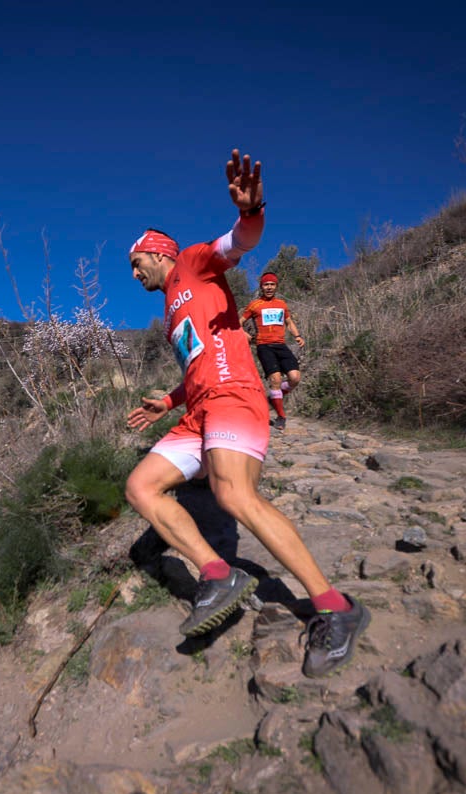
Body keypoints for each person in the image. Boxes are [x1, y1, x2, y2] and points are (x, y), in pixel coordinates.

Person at [124, 149, 369, 679]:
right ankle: (217, 574)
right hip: (199, 409)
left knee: (232, 493)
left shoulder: (191, 262)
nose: (133, 272)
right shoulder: (171, 309)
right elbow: (199, 365)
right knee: (141, 486)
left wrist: (252, 210)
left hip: (235, 396)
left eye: (136, 262)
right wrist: (168, 401)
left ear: (157, 252)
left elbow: (238, 243)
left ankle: (335, 608)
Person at [240, 273, 305, 432]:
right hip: (264, 346)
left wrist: (297, 336)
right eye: (266, 285)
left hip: (281, 345)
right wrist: (244, 334)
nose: (269, 287)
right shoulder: (254, 305)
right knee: (275, 379)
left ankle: (275, 397)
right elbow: (239, 321)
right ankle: (281, 416)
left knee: (295, 378)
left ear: (276, 287)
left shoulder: (282, 304)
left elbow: (289, 322)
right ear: (261, 287)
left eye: (272, 285)